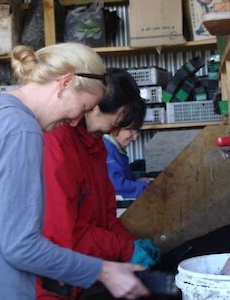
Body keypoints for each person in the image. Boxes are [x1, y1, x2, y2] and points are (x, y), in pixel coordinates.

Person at [0, 43, 149, 300]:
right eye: (81, 108)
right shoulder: (19, 128)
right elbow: (21, 246)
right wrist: (104, 271)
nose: (73, 122)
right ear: (64, 83)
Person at [37, 68, 161, 300]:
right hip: (54, 283)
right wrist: (126, 250)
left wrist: (131, 243)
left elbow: (105, 218)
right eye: (118, 121)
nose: (116, 130)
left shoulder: (95, 147)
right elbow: (65, 233)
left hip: (84, 276)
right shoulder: (57, 144)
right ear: (93, 105)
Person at [103, 128, 154, 200]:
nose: (135, 138)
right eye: (132, 131)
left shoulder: (114, 148)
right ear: (116, 128)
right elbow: (117, 186)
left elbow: (121, 176)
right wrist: (147, 186)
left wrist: (136, 180)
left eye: (137, 132)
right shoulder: (106, 149)